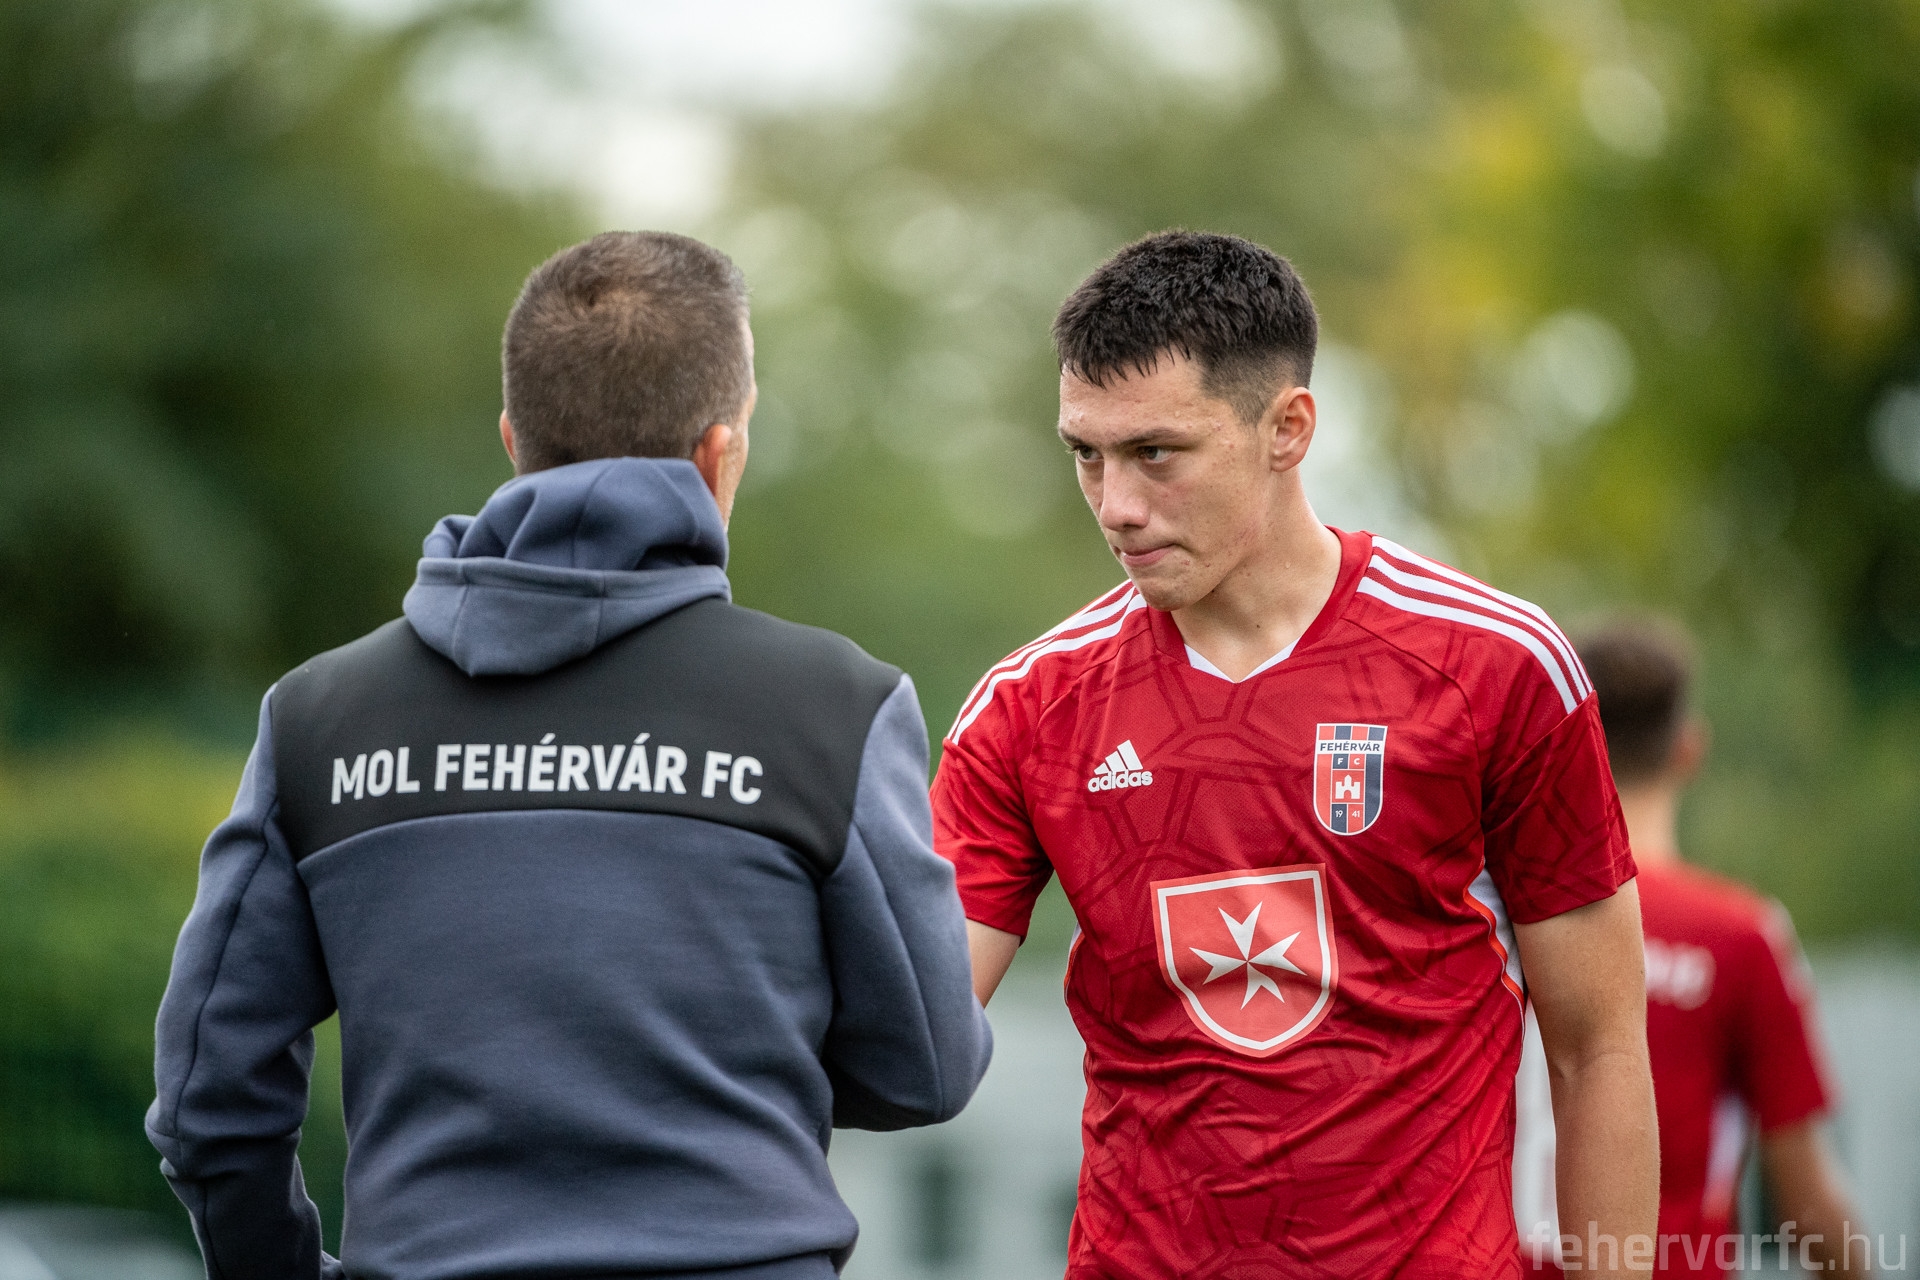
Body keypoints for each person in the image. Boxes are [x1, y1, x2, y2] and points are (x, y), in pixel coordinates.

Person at [146, 231, 991, 1280]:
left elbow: (211, 1100)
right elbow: (927, 1067)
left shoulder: (319, 717)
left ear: (514, 439)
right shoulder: (836, 707)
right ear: (719, 453)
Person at [932, 230, 1659, 1277]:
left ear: (1288, 428)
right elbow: (912, 1027)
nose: (1116, 505)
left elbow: (1600, 1050)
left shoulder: (1496, 664)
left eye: (1156, 453)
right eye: (1086, 454)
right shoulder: (1028, 709)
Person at [1515, 620, 1869, 1278]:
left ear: (1571, 743)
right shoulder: (1741, 934)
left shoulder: (1503, 921)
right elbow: (1805, 1198)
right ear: (1688, 749)